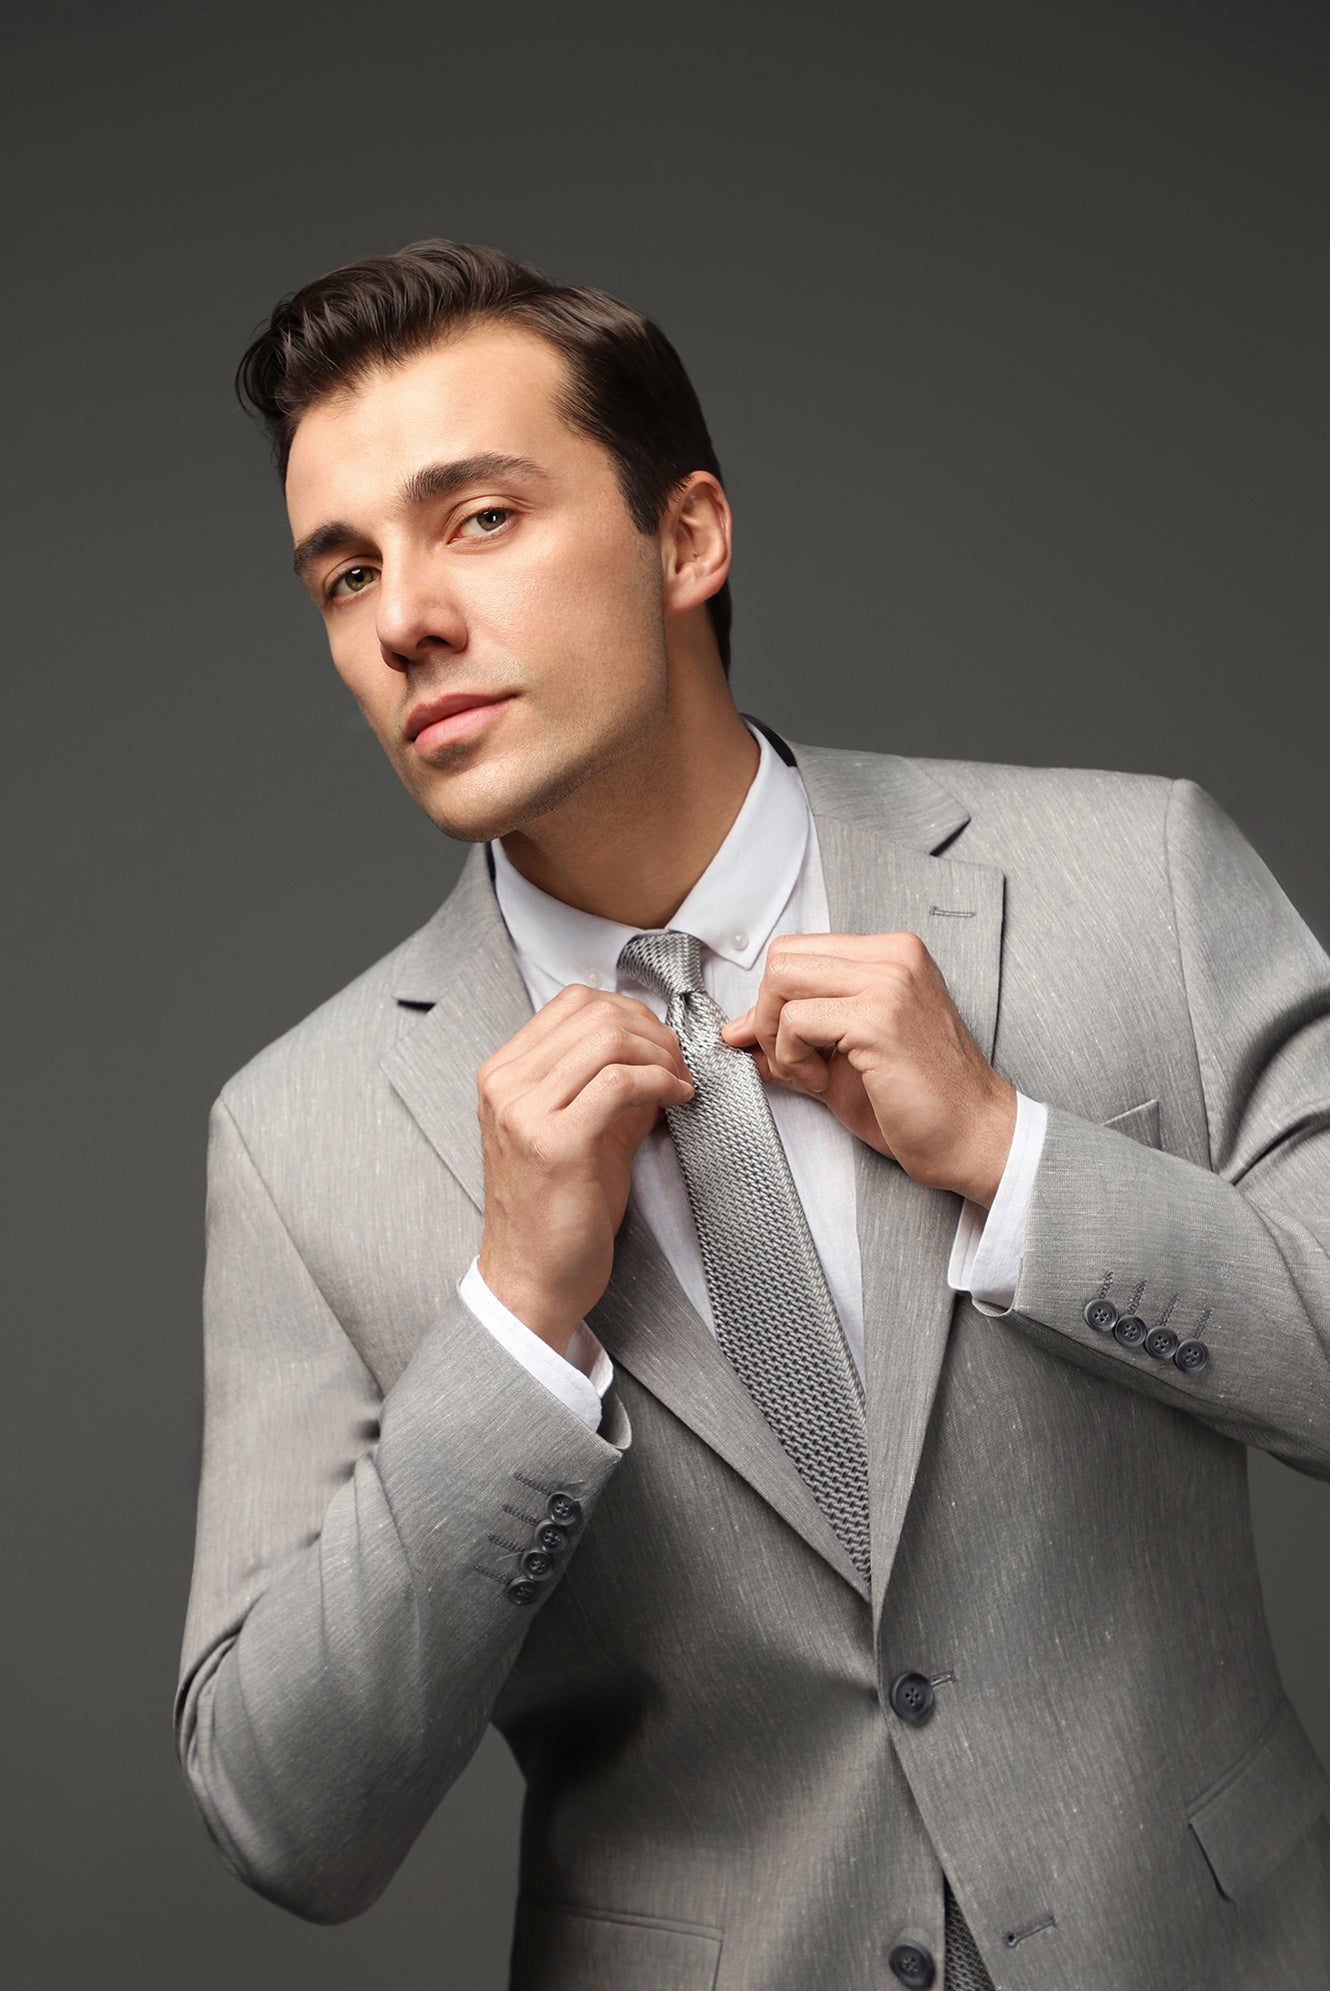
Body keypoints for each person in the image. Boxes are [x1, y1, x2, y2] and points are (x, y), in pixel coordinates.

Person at [174, 239, 1330, 1990]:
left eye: (477, 517)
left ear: (688, 537)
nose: (401, 617)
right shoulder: (297, 1134)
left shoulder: (1136, 876)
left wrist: (1012, 1157)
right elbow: (286, 1819)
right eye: (345, 572)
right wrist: (512, 1331)